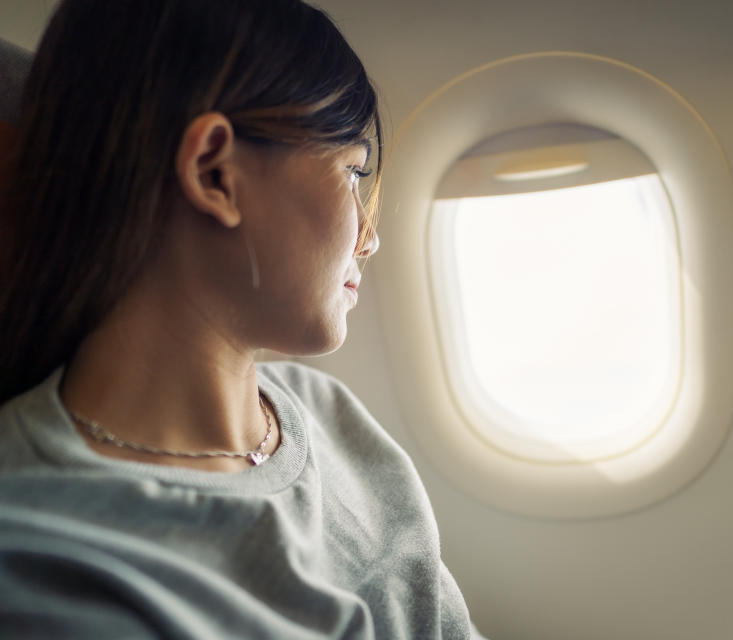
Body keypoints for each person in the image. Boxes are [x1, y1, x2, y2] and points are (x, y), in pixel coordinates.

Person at [0, 0, 477, 637]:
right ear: (214, 172)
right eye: (352, 171)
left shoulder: (331, 418)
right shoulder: (43, 550)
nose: (369, 238)